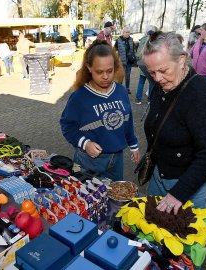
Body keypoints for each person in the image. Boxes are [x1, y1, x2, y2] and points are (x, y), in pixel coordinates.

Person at [142, 31, 206, 218]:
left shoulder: (202, 94)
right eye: (152, 72)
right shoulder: (160, 87)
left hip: (194, 186)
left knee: (189, 243)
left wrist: (179, 193)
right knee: (154, 237)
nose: (157, 78)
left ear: (181, 60)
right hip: (161, 176)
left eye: (163, 71)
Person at [60, 40, 140, 181]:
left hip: (117, 159)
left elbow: (127, 120)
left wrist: (134, 146)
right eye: (99, 72)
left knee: (114, 199)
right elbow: (67, 126)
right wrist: (85, 143)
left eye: (110, 71)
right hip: (88, 161)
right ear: (89, 68)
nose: (105, 76)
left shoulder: (121, 91)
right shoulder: (79, 97)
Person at [135, 25, 158, 104]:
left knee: (141, 82)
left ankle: (138, 99)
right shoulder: (153, 40)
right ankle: (149, 99)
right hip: (149, 64)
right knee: (151, 82)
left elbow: (138, 54)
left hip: (142, 63)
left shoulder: (142, 40)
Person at [114, 26, 135, 95]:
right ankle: (119, 89)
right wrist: (117, 58)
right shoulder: (119, 40)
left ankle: (127, 89)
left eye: (128, 32)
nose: (127, 34)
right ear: (123, 33)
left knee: (128, 75)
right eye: (126, 32)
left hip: (129, 61)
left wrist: (133, 56)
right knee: (120, 76)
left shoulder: (131, 40)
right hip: (121, 61)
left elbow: (133, 49)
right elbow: (114, 50)